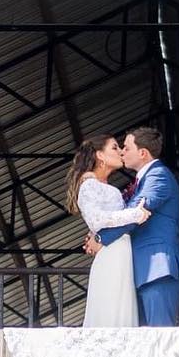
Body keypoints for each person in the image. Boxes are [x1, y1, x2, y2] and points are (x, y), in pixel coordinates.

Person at [83, 126, 179, 326]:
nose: (122, 152)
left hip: (158, 268)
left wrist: (100, 239)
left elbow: (133, 214)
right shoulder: (142, 181)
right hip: (141, 270)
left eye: (126, 147)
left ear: (142, 153)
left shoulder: (158, 176)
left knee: (160, 337)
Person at [65, 133, 151, 327]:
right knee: (112, 312)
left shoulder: (103, 187)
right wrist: (135, 215)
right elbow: (97, 219)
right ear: (100, 156)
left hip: (121, 252)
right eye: (114, 147)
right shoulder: (89, 185)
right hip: (112, 253)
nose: (120, 151)